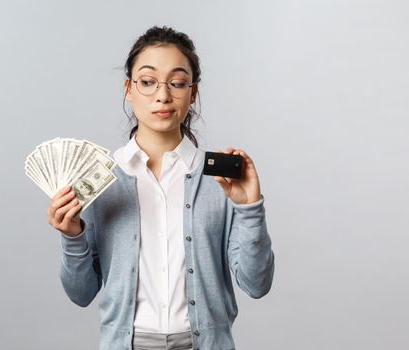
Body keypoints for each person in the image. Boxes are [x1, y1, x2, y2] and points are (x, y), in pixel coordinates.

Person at [46, 26, 275, 350]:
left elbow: (257, 284)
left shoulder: (221, 181)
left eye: (178, 82)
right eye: (148, 81)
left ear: (192, 92)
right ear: (129, 88)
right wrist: (72, 237)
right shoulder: (100, 180)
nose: (163, 95)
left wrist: (249, 208)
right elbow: (80, 294)